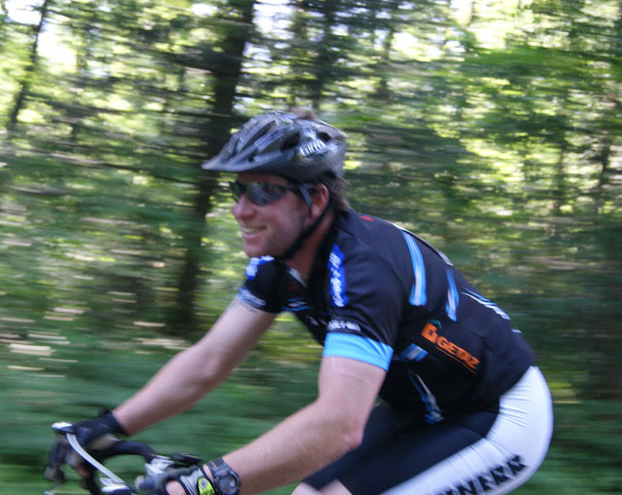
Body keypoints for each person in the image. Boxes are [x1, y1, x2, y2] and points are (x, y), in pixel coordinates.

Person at [47, 110, 553, 495]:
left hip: (499, 417)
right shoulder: (278, 262)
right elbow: (209, 360)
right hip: (417, 412)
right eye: (238, 190)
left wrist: (199, 486)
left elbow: (338, 425)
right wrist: (109, 427)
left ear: (317, 199)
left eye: (264, 192)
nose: (241, 210)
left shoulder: (365, 271)